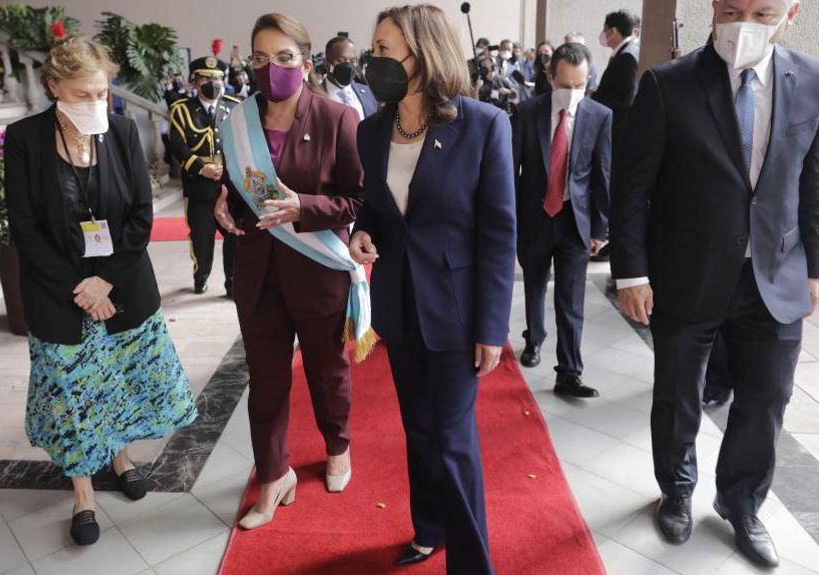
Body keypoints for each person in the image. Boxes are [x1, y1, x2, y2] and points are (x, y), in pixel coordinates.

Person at [610, 0, 819, 568]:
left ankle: (740, 502)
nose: (746, 26)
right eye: (733, 9)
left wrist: (816, 268)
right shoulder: (667, 84)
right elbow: (632, 187)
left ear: (791, 14)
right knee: (679, 393)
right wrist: (632, 272)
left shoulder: (817, 78)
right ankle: (677, 489)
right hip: (687, 273)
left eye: (763, 13)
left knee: (767, 399)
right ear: (713, 7)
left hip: (774, 273)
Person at [4, 36, 198, 546]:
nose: (97, 103)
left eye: (102, 91)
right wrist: (79, 287)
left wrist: (105, 279)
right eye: (84, 93)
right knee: (73, 394)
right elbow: (25, 228)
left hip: (122, 283)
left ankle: (122, 457)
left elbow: (140, 214)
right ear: (53, 87)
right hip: (57, 292)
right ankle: (83, 493)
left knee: (119, 379)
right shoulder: (24, 138)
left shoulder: (123, 131)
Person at [349, 5, 516, 572]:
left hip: (456, 311)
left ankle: (472, 563)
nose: (374, 60)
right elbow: (375, 207)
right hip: (398, 306)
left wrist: (492, 326)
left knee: (451, 438)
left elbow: (498, 234)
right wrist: (361, 233)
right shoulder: (373, 130)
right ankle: (430, 529)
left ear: (424, 52)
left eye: (385, 47)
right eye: (373, 48)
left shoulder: (483, 125)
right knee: (418, 429)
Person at [213, 12, 363, 530]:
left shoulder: (336, 119)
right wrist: (224, 202)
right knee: (267, 381)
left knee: (327, 369)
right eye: (260, 58)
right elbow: (238, 188)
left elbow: (355, 200)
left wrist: (307, 209)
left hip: (317, 265)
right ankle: (275, 475)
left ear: (304, 61)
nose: (271, 68)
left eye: (283, 57)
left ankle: (336, 445)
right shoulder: (236, 122)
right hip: (257, 271)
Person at [512, 42, 611, 398]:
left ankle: (569, 371)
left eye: (579, 86)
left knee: (570, 300)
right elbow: (511, 172)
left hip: (575, 221)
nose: (572, 94)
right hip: (535, 217)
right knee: (535, 286)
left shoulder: (600, 116)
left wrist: (600, 228)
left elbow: (602, 173)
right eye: (566, 85)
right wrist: (510, 222)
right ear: (551, 77)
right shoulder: (527, 113)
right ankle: (534, 340)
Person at [168, 57, 239, 296]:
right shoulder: (182, 109)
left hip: (229, 186)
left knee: (234, 235)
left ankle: (233, 283)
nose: (213, 83)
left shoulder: (233, 105)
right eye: (206, 78)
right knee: (202, 238)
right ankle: (201, 276)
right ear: (195, 82)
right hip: (199, 186)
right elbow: (178, 146)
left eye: (217, 78)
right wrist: (200, 167)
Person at [593, 10, 640, 145]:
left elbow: (626, 98)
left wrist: (595, 95)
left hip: (619, 129)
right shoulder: (627, 51)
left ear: (612, 31)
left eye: (604, 29)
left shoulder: (627, 56)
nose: (602, 34)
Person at [322, 35, 378, 120]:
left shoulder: (369, 93)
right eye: (341, 60)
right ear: (327, 63)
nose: (348, 65)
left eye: (352, 61)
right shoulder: (313, 94)